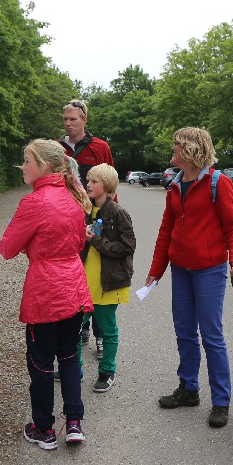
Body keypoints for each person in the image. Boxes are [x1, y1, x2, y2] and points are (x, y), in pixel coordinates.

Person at [146, 127, 233, 429]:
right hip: (181, 269)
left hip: (209, 270)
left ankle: (221, 401)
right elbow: (166, 231)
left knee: (212, 335)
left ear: (190, 149)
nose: (172, 149)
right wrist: (156, 271)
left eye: (176, 145)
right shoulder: (175, 185)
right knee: (184, 331)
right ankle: (188, 388)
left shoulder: (218, 183)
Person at [0, 139, 94, 450]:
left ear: (46, 166)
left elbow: (7, 248)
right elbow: (78, 242)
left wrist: (32, 245)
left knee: (41, 361)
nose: (22, 166)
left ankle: (44, 428)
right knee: (68, 355)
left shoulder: (35, 202)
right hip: (74, 285)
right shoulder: (74, 196)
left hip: (46, 289)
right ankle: (74, 422)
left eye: (28, 160)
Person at [60, 99, 116, 353]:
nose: (68, 123)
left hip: (96, 218)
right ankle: (79, 326)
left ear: (84, 120)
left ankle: (100, 332)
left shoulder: (100, 147)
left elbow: (111, 183)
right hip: (68, 219)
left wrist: (111, 217)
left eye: (73, 119)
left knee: (96, 272)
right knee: (74, 272)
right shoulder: (57, 148)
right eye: (65, 119)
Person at [79, 163, 136, 393]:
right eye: (88, 180)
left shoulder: (118, 213)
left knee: (107, 329)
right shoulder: (84, 210)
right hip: (82, 281)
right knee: (73, 328)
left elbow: (128, 247)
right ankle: (73, 369)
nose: (88, 185)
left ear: (107, 186)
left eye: (94, 181)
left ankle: (107, 371)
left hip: (107, 283)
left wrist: (96, 240)